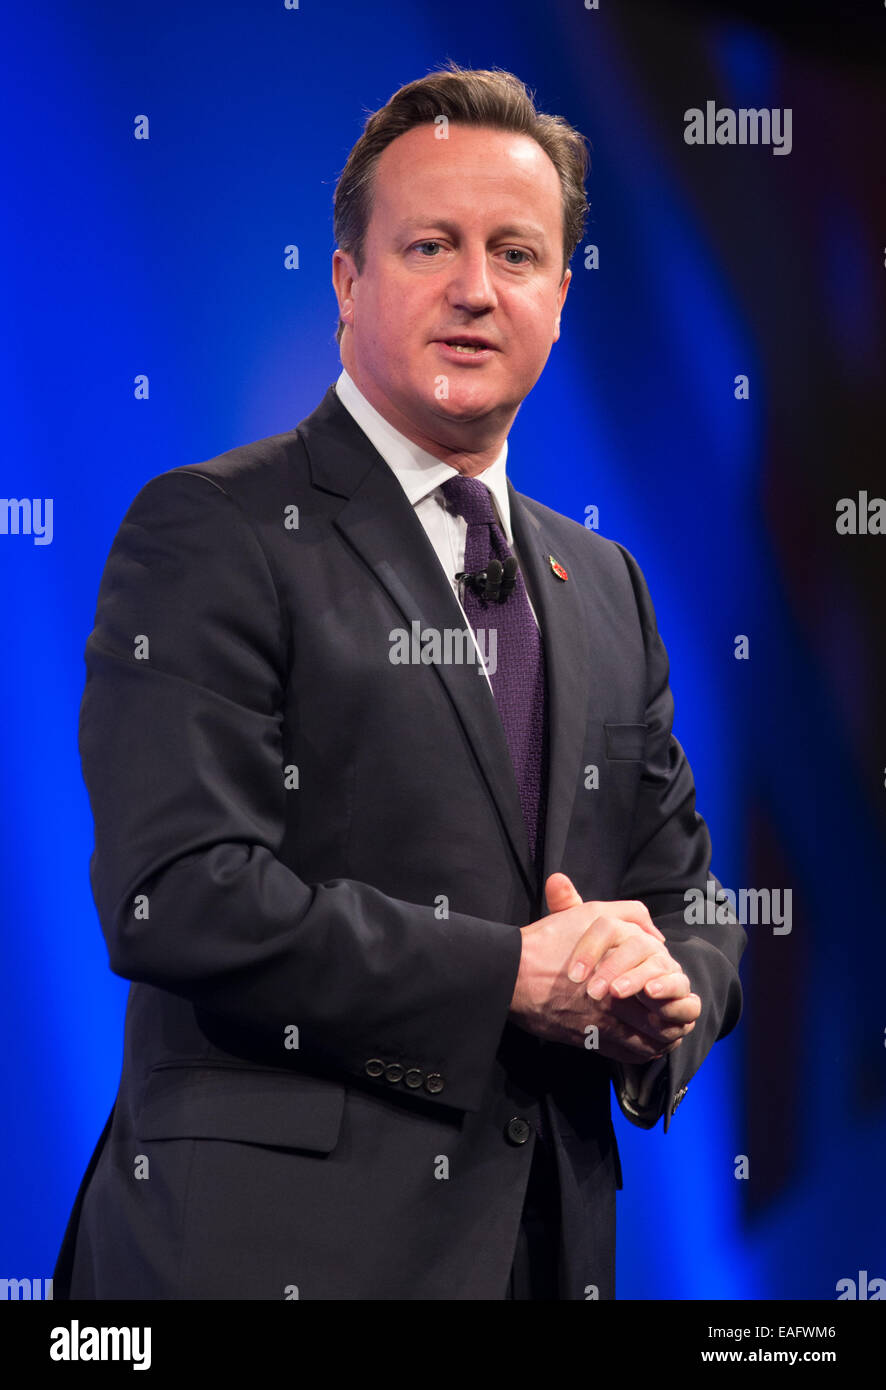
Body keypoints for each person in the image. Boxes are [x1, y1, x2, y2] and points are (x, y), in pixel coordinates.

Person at [53, 62, 745, 1301]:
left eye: (516, 254)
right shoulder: (215, 529)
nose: (476, 289)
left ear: (559, 296)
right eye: (431, 243)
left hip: (542, 1254)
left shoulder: (608, 585)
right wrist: (510, 976)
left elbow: (682, 895)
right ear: (346, 280)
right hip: (264, 1254)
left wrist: (664, 997)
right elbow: (178, 892)